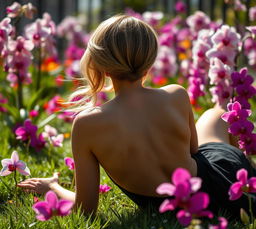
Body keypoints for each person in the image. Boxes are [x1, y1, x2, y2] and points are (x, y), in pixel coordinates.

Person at [18, 15, 256, 218]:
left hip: (165, 207)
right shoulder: (175, 94)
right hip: (219, 188)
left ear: (102, 65)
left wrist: (53, 186)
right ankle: (248, 178)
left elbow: (85, 208)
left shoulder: (87, 124)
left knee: (215, 117)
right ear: (150, 61)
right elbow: (194, 151)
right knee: (217, 113)